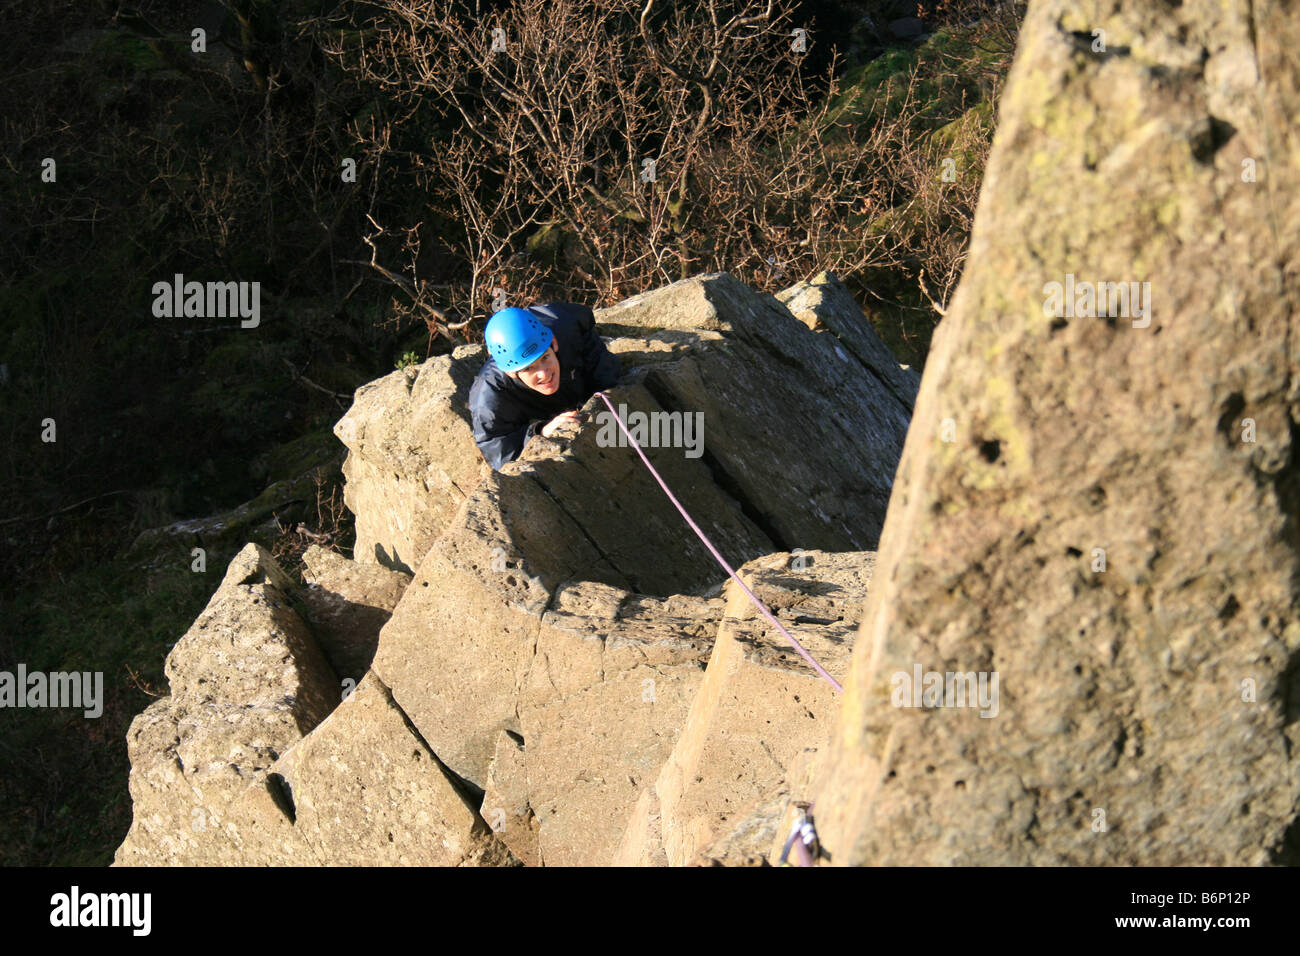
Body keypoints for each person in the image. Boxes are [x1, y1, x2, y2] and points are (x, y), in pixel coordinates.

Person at [469, 302, 622, 470]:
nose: (544, 373)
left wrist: (599, 399)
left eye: (544, 357)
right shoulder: (491, 396)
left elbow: (596, 355)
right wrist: (540, 432)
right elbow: (497, 448)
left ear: (554, 343)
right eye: (529, 368)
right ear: (512, 373)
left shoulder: (567, 327)